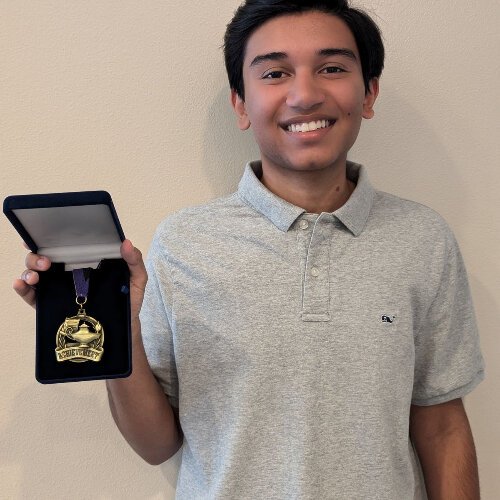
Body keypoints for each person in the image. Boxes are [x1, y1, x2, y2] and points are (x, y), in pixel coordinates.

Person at [14, 1, 485, 498]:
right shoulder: (185, 243)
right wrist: (116, 327)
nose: (304, 94)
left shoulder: (423, 239)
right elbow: (156, 444)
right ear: (241, 104)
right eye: (276, 72)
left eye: (331, 68)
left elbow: (442, 424)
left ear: (368, 92)